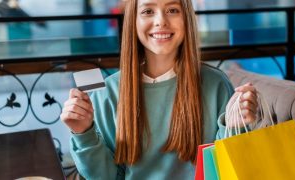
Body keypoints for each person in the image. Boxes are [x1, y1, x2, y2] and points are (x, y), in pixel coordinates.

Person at [60, 0, 258, 179]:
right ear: (133, 21)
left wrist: (235, 126)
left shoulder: (216, 84)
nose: (161, 21)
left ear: (187, 18)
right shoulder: (107, 92)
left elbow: (226, 170)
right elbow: (106, 178)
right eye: (148, 11)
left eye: (172, 10)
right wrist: (83, 131)